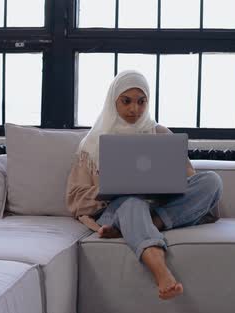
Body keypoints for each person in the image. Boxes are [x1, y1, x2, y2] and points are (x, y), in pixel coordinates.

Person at [66, 70, 223, 300]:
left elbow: (191, 182)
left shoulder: (160, 134)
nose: (134, 109)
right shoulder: (92, 143)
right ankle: (162, 273)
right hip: (116, 208)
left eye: (141, 102)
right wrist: (111, 187)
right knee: (131, 202)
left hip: (157, 205)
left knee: (212, 181)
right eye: (126, 101)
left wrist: (163, 182)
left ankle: (145, 224)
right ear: (113, 101)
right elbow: (74, 198)